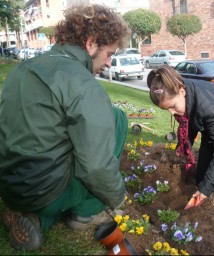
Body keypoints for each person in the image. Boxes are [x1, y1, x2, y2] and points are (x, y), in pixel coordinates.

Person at [0, 4, 131, 250]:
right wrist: (117, 197)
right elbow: (96, 166)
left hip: (9, 184)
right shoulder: (82, 84)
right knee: (117, 118)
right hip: (44, 191)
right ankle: (86, 213)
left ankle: (34, 217)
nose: (110, 63)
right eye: (110, 54)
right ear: (91, 43)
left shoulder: (22, 69)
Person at [147, 65, 214, 205]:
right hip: (210, 127)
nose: (171, 113)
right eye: (166, 109)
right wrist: (182, 147)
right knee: (200, 179)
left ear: (182, 91)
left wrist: (205, 191)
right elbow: (191, 123)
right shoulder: (181, 90)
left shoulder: (208, 109)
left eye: (172, 106)